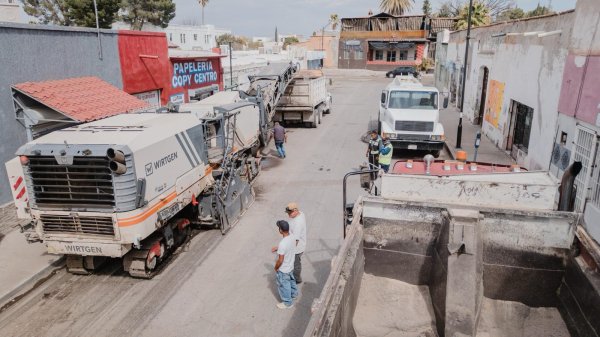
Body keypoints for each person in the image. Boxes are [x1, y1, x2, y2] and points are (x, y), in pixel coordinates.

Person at [273, 220, 298, 309]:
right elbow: (291, 246)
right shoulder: (292, 236)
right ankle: (294, 294)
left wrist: (276, 268)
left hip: (284, 269)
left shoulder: (283, 243)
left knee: (284, 285)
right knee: (291, 280)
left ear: (280, 230)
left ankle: (287, 303)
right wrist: (278, 248)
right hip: (290, 265)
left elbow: (280, 260)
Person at [285, 202, 306, 284]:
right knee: (295, 263)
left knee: (296, 264)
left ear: (295, 210)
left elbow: (296, 240)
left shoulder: (298, 223)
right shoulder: (301, 213)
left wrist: (290, 250)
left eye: (290, 213)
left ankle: (297, 279)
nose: (288, 215)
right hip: (298, 245)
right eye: (288, 213)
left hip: (297, 248)